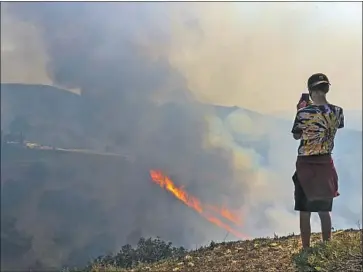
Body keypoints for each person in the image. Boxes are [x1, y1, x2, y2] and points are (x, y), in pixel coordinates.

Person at [291, 73, 344, 249]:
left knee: (304, 211)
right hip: (326, 163)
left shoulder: (303, 113)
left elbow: (296, 135)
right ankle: (327, 245)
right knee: (324, 210)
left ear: (311, 90)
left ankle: (306, 248)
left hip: (306, 165)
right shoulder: (338, 111)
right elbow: (335, 127)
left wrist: (301, 109)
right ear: (326, 88)